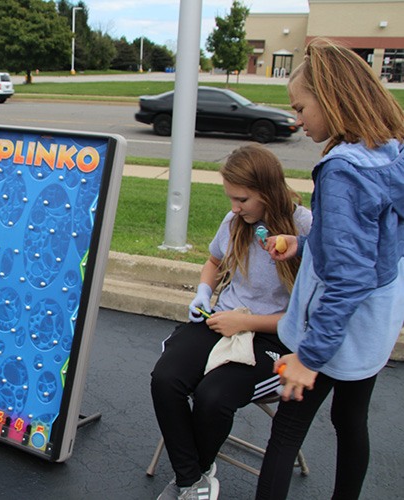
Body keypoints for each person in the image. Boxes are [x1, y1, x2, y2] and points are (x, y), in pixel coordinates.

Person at [255, 39, 404, 500]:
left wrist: (309, 357)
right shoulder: (390, 152)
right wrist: (303, 243)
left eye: (300, 107)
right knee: (349, 421)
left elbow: (348, 277)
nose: (296, 120)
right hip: (374, 328)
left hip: (332, 335)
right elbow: (370, 244)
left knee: (286, 435)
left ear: (333, 99)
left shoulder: (342, 170)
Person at [150, 144, 312, 500]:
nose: (234, 208)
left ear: (268, 192)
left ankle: (188, 478)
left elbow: (305, 316)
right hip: (223, 320)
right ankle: (194, 479)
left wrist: (248, 323)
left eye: (242, 199)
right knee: (166, 379)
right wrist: (203, 292)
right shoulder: (235, 222)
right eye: (231, 199)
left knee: (213, 396)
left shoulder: (305, 229)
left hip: (273, 337)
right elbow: (213, 260)